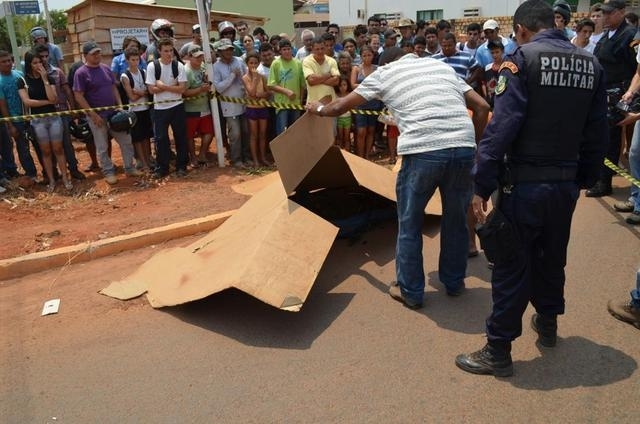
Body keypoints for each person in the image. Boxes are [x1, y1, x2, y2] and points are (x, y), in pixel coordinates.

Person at [455, 0, 608, 377]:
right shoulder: (591, 63)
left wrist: (481, 184)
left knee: (510, 264)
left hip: (525, 186)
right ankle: (549, 323)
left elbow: (500, 129)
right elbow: (597, 130)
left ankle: (498, 350)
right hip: (565, 186)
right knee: (552, 255)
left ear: (521, 30)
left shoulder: (520, 61)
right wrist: (584, 179)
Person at [306, 47, 489, 310]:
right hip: (462, 148)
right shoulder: (441, 67)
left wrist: (318, 108)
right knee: (456, 219)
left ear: (385, 63)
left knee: (410, 222)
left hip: (422, 152)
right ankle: (454, 282)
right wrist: (474, 149)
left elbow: (339, 106)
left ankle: (411, 291)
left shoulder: (386, 72)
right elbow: (482, 107)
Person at [587, 0, 637, 197]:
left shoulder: (630, 35)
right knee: (602, 135)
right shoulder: (607, 34)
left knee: (610, 137)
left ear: (622, 12)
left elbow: (636, 70)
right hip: (604, 93)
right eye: (604, 13)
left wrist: (631, 97)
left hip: (622, 93)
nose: (605, 17)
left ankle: (604, 181)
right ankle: (599, 176)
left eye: (610, 13)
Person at [74, 41, 141, 185]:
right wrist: (93, 115)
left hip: (113, 113)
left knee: (126, 141)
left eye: (98, 52)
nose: (97, 55)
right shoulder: (81, 73)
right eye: (93, 54)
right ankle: (108, 171)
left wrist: (120, 105)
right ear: (85, 56)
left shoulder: (105, 68)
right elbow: (78, 95)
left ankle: (129, 167)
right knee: (102, 146)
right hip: (97, 116)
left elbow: (113, 88)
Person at [18, 50, 72, 192]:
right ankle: (52, 180)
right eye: (35, 62)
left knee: (58, 149)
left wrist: (45, 80)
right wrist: (47, 101)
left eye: (40, 62)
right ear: (29, 64)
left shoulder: (50, 78)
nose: (38, 65)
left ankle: (65, 178)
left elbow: (54, 99)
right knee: (46, 151)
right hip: (37, 120)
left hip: (54, 118)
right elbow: (27, 102)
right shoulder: (22, 81)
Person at [33, 44, 86, 181]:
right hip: (43, 115)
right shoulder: (31, 77)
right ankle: (51, 173)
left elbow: (67, 90)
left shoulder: (57, 72)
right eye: (41, 57)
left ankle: (73, 169)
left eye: (46, 56)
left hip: (61, 112)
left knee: (66, 143)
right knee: (46, 147)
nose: (44, 59)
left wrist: (73, 108)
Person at [146, 38, 189, 178]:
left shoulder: (179, 66)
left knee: (181, 137)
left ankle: (181, 166)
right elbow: (151, 89)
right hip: (160, 108)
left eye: (171, 50)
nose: (169, 54)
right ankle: (162, 168)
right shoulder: (153, 66)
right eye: (166, 51)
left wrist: (163, 86)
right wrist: (173, 87)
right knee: (161, 139)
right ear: (159, 51)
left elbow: (182, 88)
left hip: (177, 106)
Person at [0, 50, 39, 181]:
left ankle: (48, 172)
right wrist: (10, 125)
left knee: (39, 145)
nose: (7, 63)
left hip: (29, 117)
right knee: (23, 149)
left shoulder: (20, 75)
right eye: (3, 61)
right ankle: (31, 174)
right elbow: (3, 104)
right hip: (15, 120)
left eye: (9, 60)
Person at [213, 38, 250, 168]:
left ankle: (247, 157)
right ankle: (236, 159)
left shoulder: (239, 61)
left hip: (244, 103)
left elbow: (247, 76)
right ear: (220, 52)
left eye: (230, 49)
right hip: (229, 106)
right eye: (225, 50)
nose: (228, 52)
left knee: (246, 131)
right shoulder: (216, 66)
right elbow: (219, 87)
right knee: (235, 133)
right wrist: (232, 75)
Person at [120, 46, 153, 171]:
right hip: (134, 111)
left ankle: (148, 161)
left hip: (145, 109)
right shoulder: (125, 76)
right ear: (127, 60)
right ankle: (143, 162)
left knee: (146, 137)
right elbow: (131, 97)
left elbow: (148, 91)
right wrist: (142, 92)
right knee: (137, 138)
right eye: (133, 60)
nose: (135, 62)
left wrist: (138, 92)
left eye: (137, 60)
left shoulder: (143, 72)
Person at [267, 39, 305, 136]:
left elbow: (302, 84)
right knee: (282, 132)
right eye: (284, 49)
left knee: (295, 131)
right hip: (282, 104)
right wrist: (286, 91)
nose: (287, 51)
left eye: (288, 49)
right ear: (280, 51)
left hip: (295, 104)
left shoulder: (298, 63)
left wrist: (300, 101)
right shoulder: (276, 63)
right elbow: (271, 84)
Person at [350, 45, 382, 158]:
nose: (367, 57)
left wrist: (365, 87)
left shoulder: (377, 69)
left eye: (369, 55)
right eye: (364, 55)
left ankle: (367, 155)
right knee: (361, 132)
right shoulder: (356, 68)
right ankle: (360, 155)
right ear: (361, 56)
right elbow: (353, 85)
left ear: (373, 55)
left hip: (374, 103)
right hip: (360, 104)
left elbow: (380, 85)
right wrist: (369, 86)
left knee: (371, 130)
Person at [242, 52, 271, 167]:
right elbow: (251, 93)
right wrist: (254, 79)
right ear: (247, 64)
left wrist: (261, 94)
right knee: (254, 135)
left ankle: (262, 157)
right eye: (251, 63)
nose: (253, 65)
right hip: (252, 109)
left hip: (262, 108)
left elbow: (268, 93)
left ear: (259, 63)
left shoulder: (262, 77)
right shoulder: (245, 78)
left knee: (263, 134)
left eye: (255, 63)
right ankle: (255, 160)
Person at [303, 36, 339, 104]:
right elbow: (311, 81)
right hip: (313, 103)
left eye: (322, 48)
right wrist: (328, 75)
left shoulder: (332, 61)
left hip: (330, 103)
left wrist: (318, 80)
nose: (320, 51)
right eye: (317, 49)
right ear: (312, 49)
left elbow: (336, 81)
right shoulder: (306, 61)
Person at [482, 40, 505, 108]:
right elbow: (484, 83)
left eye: (497, 52)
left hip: (503, 103)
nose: (494, 55)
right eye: (492, 53)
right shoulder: (488, 67)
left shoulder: (506, 67)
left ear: (502, 51)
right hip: (491, 103)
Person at [334, 75, 352, 151]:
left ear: (348, 85)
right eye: (340, 85)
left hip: (348, 118)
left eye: (344, 85)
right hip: (339, 119)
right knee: (340, 137)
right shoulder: (336, 95)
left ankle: (348, 154)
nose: (342, 87)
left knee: (347, 137)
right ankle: (341, 153)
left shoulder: (350, 95)